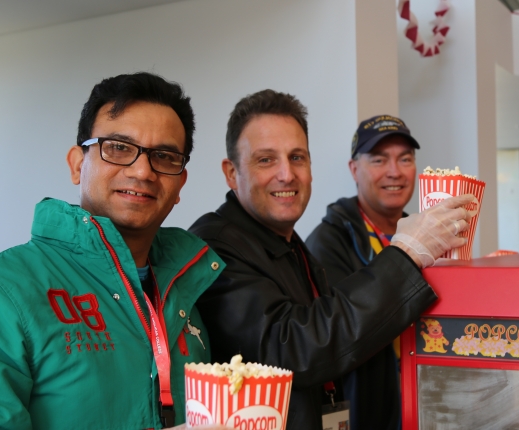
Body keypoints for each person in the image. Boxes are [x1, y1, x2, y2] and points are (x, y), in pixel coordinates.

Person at [0, 72, 225, 429]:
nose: (143, 170)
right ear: (77, 164)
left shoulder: (187, 296)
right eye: (118, 148)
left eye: (163, 156)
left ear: (180, 184)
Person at [189, 90, 474, 430]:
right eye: (266, 159)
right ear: (232, 173)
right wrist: (406, 254)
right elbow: (291, 348)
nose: (286, 174)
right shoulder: (215, 245)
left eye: (297, 158)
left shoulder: (290, 243)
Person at [305, 114, 420, 430]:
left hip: (424, 404)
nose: (394, 172)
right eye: (379, 160)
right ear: (354, 169)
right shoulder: (328, 242)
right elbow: (343, 336)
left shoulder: (422, 235)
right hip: (367, 414)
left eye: (405, 159)